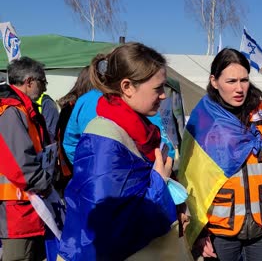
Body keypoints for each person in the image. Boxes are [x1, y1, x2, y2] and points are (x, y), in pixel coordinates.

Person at [58, 43, 183, 260]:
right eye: (158, 88)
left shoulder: (138, 127)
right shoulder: (104, 139)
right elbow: (105, 226)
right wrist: (160, 183)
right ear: (127, 87)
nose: (163, 95)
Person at [178, 48, 262, 261]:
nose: (239, 88)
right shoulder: (202, 120)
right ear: (214, 81)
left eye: (244, 80)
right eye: (231, 81)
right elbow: (190, 180)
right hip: (220, 233)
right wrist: (200, 231)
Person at [0, 57, 54, 261]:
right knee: (19, 257)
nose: (44, 88)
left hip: (26, 203)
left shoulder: (21, 109)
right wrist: (44, 183)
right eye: (43, 82)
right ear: (30, 81)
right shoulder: (11, 111)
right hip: (17, 207)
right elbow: (19, 164)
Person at [54, 66, 93, 194]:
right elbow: (69, 141)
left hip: (72, 167)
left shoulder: (68, 107)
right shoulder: (78, 107)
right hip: (81, 168)